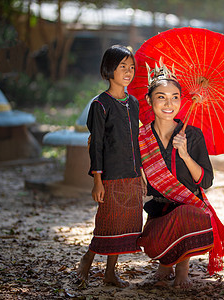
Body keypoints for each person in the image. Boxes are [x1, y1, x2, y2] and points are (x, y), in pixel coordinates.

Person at [137, 61, 224, 289]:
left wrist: (185, 154)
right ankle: (165, 264)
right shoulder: (141, 137)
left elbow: (205, 181)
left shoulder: (192, 134)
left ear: (181, 100)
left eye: (175, 97)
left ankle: (182, 270)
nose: (169, 103)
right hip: (157, 209)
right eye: (161, 97)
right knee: (152, 244)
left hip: (188, 208)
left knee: (189, 215)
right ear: (149, 100)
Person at [76, 45, 143, 288]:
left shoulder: (133, 103)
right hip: (110, 176)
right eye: (122, 66)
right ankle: (87, 260)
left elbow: (135, 141)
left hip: (132, 175)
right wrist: (97, 180)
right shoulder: (100, 105)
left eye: (131, 67)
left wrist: (141, 174)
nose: (128, 71)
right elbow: (97, 145)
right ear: (108, 69)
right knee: (107, 223)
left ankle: (110, 273)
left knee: (125, 224)